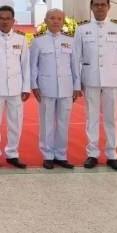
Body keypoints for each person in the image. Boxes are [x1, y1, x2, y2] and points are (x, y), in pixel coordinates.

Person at [73, 0, 117, 171]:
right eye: (96, 5)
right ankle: (92, 153)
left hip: (112, 79)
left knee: (111, 118)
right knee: (91, 117)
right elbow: (76, 57)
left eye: (103, 5)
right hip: (90, 78)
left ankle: (112, 154)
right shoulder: (82, 28)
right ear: (91, 7)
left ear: (108, 7)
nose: (100, 8)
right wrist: (76, 83)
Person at [30, 9, 81, 170]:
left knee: (63, 123)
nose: (56, 21)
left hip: (66, 87)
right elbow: (33, 66)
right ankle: (47, 155)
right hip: (46, 87)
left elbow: (75, 65)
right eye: (52, 18)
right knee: (46, 123)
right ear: (46, 21)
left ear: (63, 21)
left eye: (59, 18)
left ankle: (61, 155)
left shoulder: (70, 40)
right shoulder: (38, 41)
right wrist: (34, 85)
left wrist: (77, 86)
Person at [0, 5, 30, 170]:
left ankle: (12, 154)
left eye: (8, 18)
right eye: (1, 19)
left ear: (13, 20)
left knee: (15, 122)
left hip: (16, 88)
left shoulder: (21, 38)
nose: (5, 22)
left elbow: (25, 65)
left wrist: (26, 87)